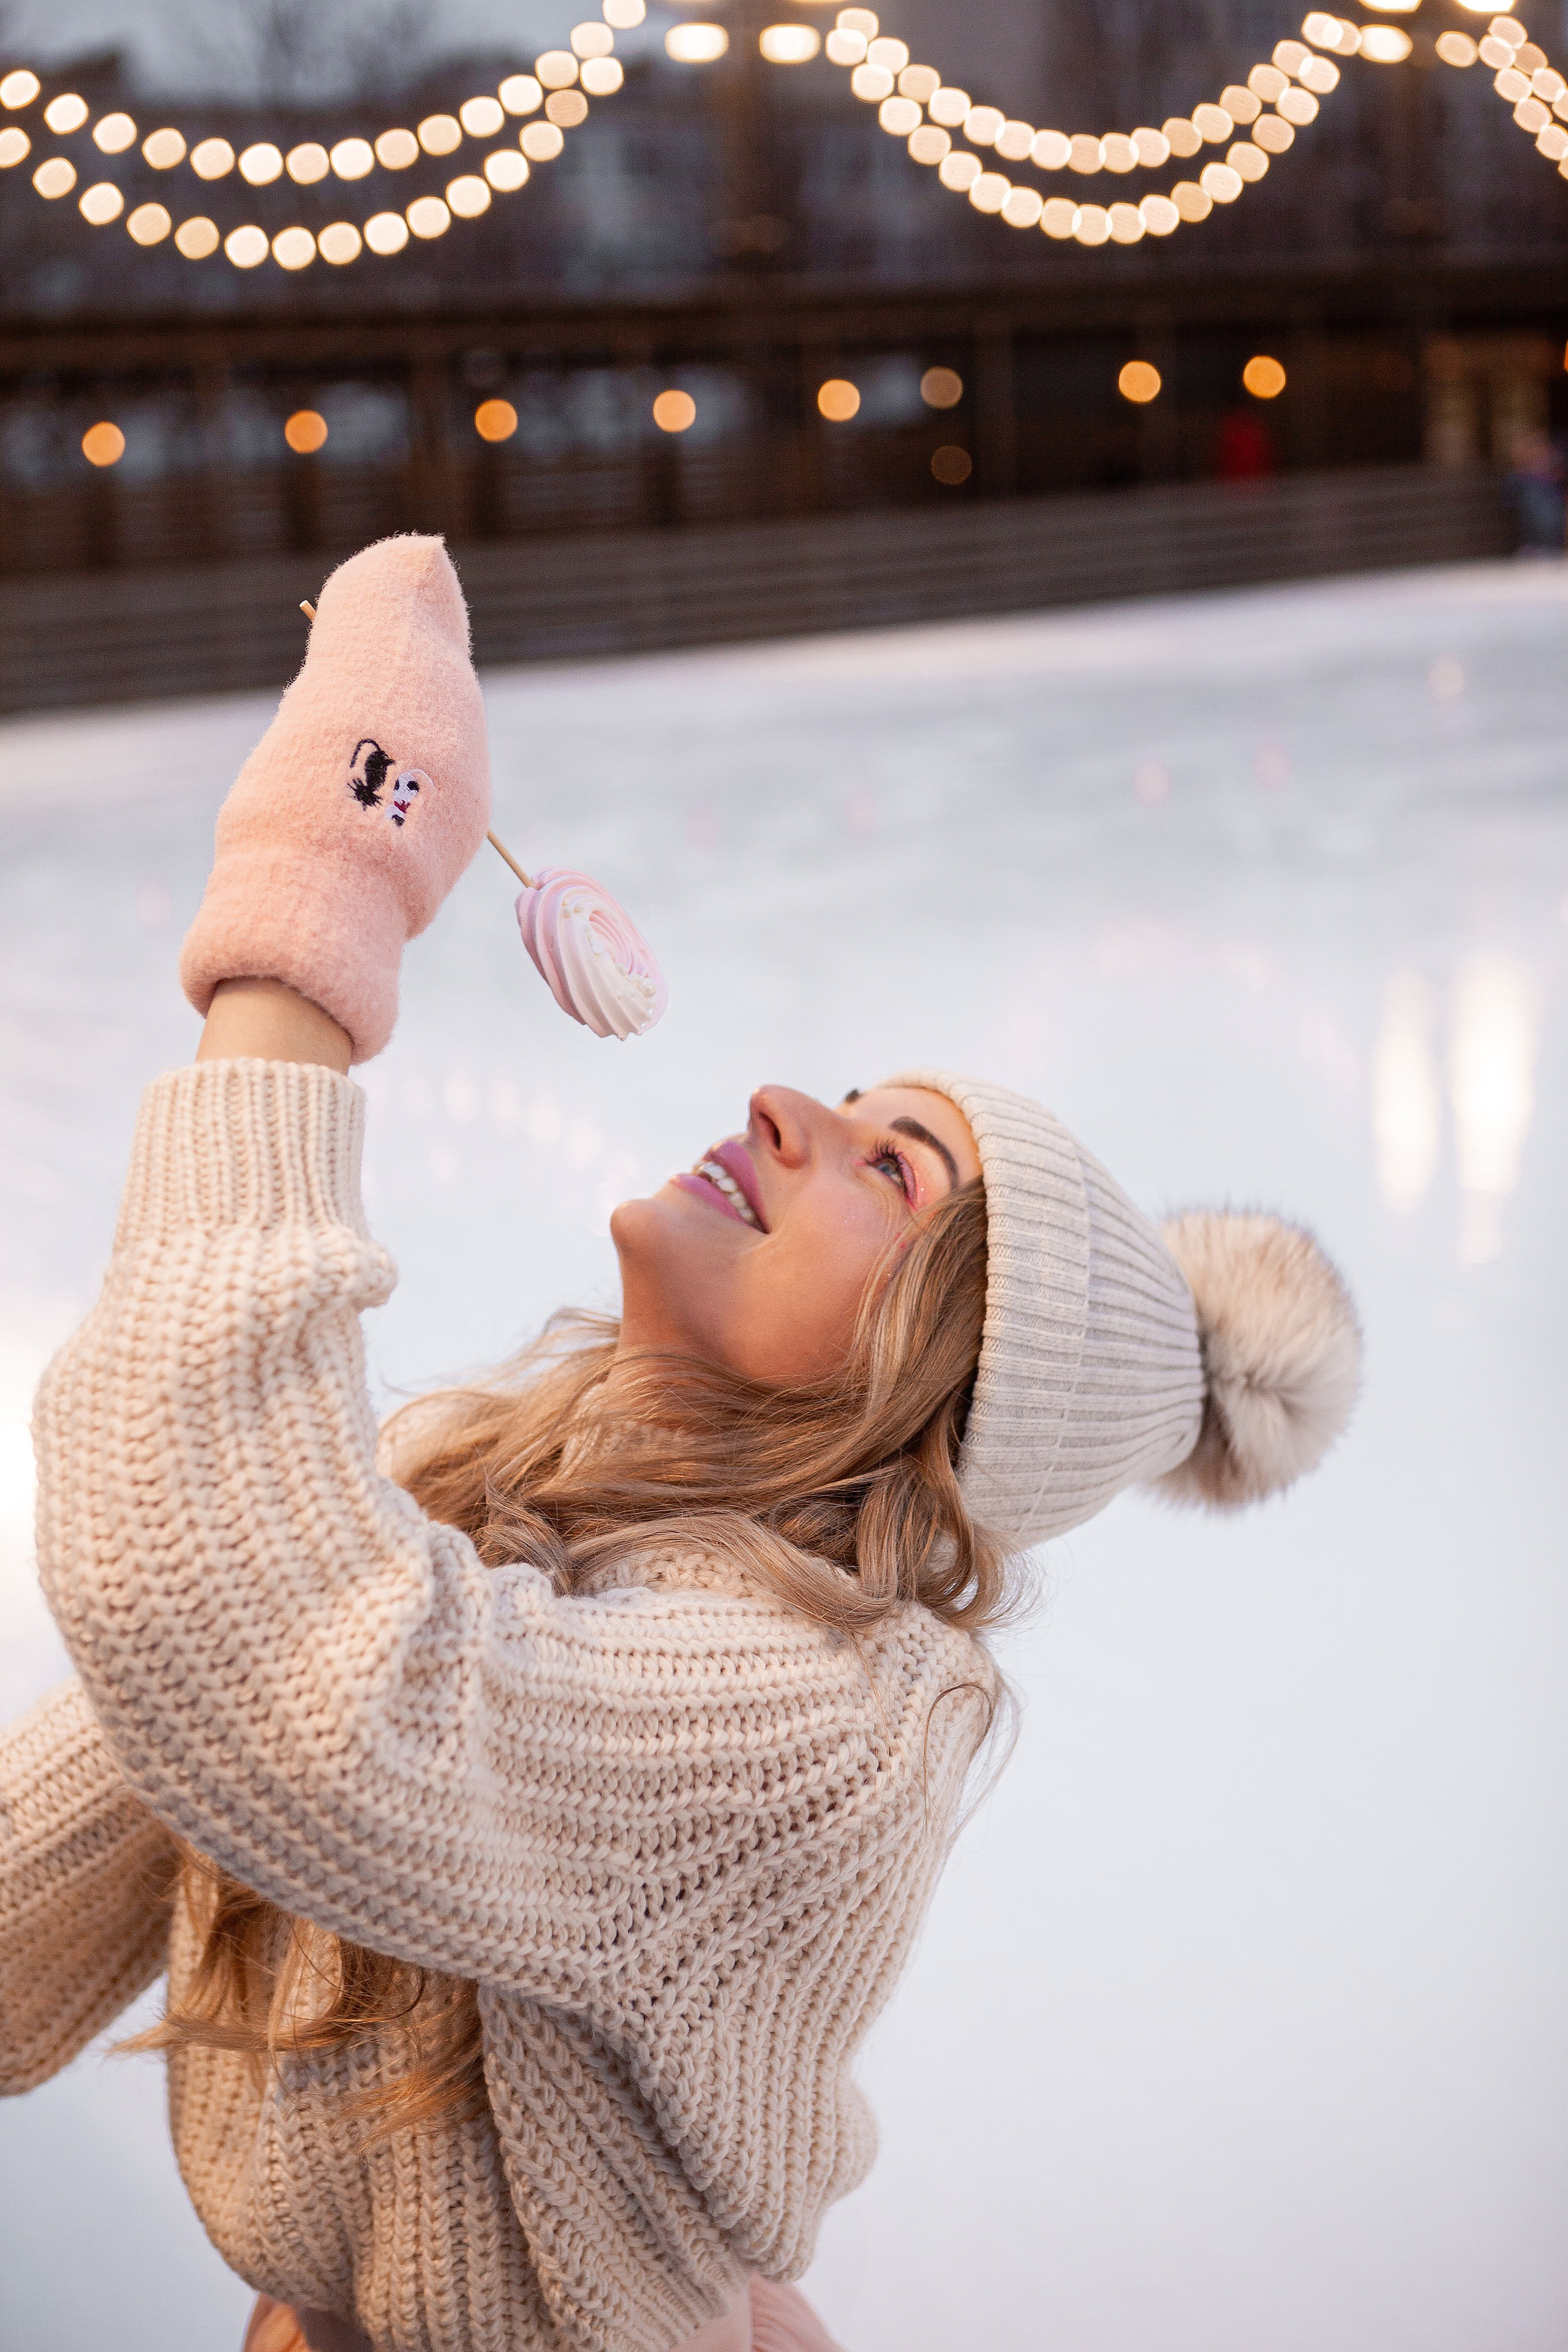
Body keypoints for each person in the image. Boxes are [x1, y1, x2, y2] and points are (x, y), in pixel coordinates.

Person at [0, 539, 1360, 2352]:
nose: (780, 1105)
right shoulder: (484, 1500)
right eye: (854, 1101)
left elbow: (272, 1655)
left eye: (893, 1168)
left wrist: (315, 899)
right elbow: (110, 1788)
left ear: (935, 1387)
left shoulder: (816, 1728)